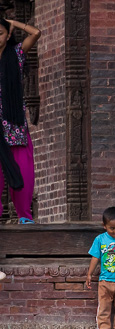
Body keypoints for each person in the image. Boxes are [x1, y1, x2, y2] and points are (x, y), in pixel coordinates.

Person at [0, 16, 40, 224]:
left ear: (7, 36)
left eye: (0, 33)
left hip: (13, 124)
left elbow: (36, 33)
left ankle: (24, 215)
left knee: (24, 170)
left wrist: (14, 23)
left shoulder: (15, 54)